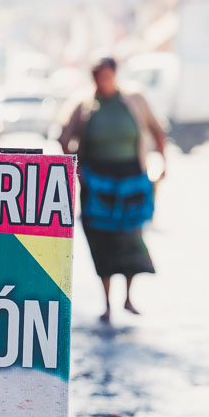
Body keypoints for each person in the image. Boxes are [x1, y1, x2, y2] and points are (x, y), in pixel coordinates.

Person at [60, 56, 166, 321]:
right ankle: (107, 302)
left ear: (115, 74)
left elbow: (157, 130)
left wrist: (163, 162)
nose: (102, 81)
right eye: (97, 76)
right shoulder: (83, 105)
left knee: (131, 237)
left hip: (131, 179)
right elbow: (64, 138)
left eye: (106, 76)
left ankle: (128, 297)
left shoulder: (134, 100)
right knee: (102, 241)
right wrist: (77, 170)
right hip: (96, 183)